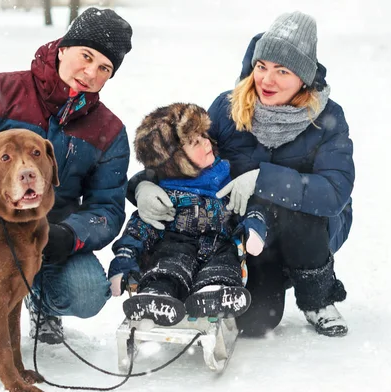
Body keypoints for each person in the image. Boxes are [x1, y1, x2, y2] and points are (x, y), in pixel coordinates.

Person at [0, 7, 133, 369]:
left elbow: (108, 209)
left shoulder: (108, 131)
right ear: (63, 48)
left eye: (104, 69)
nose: (90, 72)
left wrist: (70, 235)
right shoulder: (1, 90)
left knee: (87, 292)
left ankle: (41, 302)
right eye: (86, 56)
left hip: (48, 237)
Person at [131, 11, 354, 337]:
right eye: (262, 66)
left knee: (295, 208)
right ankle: (188, 288)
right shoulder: (228, 107)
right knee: (255, 319)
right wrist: (144, 186)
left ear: (304, 78)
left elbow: (335, 191)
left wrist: (263, 179)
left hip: (308, 230)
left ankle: (317, 299)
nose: (267, 80)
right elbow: (190, 156)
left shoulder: (326, 118)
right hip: (244, 229)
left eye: (282, 71)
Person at [107, 103, 263, 326]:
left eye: (203, 135)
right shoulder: (163, 192)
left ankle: (214, 292)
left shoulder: (228, 176)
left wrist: (255, 227)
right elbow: (141, 226)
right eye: (194, 142)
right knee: (168, 265)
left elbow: (248, 207)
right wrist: (124, 257)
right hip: (176, 245)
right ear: (175, 159)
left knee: (224, 264)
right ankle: (158, 294)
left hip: (221, 245)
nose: (207, 142)